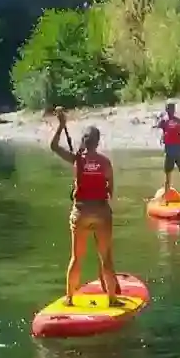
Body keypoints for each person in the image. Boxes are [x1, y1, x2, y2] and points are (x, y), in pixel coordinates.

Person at [48, 109, 119, 302]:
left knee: (76, 258)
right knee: (106, 258)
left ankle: (70, 298)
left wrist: (61, 126)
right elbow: (110, 189)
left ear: (84, 141)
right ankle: (112, 299)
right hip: (101, 211)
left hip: (80, 212)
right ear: (97, 142)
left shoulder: (77, 159)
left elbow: (53, 146)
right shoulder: (105, 162)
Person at [156, 103, 180, 198]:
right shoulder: (166, 121)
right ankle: (168, 199)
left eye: (170, 109)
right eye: (169, 109)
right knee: (170, 177)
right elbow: (161, 129)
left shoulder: (174, 121)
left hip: (176, 151)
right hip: (173, 151)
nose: (170, 111)